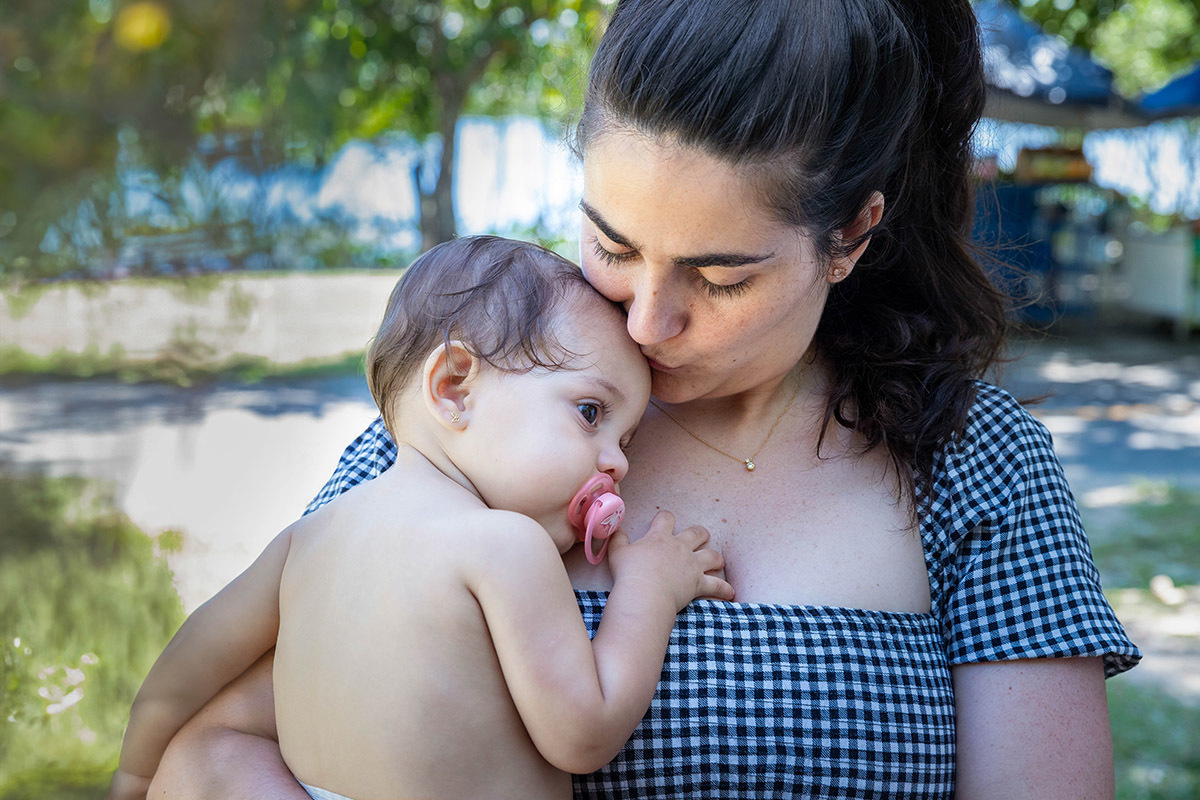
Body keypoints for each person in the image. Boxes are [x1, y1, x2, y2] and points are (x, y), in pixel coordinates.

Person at [151, 1, 1141, 797]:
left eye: (720, 277)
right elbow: (218, 749)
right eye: (611, 246)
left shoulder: (973, 460)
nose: (646, 320)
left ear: (850, 234)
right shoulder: (477, 423)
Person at [109, 236, 734, 800]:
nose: (617, 463)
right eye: (591, 413)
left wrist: (136, 774)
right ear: (454, 387)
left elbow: (189, 662)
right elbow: (585, 733)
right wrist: (649, 590)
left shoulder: (306, 539)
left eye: (625, 442)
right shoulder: (503, 544)